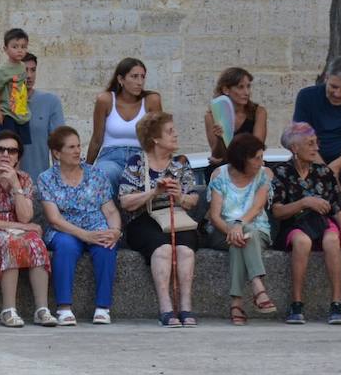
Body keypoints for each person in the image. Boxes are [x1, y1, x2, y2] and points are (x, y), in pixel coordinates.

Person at [117, 112, 200, 328]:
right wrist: (154, 192)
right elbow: (125, 201)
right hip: (144, 219)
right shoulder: (137, 162)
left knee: (186, 250)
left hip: (177, 217)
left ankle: (185, 306)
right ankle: (165, 307)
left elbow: (193, 199)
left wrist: (179, 196)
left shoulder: (181, 164)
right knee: (162, 249)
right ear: (155, 138)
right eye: (170, 132)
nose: (176, 135)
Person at [271, 122, 341, 325]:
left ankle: (336, 305)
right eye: (310, 144)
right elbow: (277, 211)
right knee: (302, 242)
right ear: (294, 148)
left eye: (316, 143)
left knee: (333, 239)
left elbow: (336, 206)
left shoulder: (323, 172)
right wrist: (305, 202)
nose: (316, 148)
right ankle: (296, 304)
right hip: (294, 225)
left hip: (321, 223)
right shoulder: (281, 172)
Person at [0, 129, 53, 327]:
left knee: (37, 243)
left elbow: (25, 216)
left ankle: (42, 309)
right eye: (0, 149)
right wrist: (23, 227)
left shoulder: (24, 179)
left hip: (19, 230)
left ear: (18, 157)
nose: (6, 154)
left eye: (12, 151)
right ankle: (8, 309)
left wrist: (15, 184)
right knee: (10, 242)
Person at [38, 126, 120, 325]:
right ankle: (64, 308)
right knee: (65, 247)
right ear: (57, 153)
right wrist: (85, 235)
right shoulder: (46, 178)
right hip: (65, 229)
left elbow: (110, 210)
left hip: (95, 225)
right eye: (71, 147)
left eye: (78, 146)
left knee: (106, 245)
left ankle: (103, 307)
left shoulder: (96, 175)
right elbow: (54, 219)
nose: (77, 151)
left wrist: (115, 231)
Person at [206, 133, 276, 325]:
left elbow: (256, 208)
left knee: (244, 237)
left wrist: (238, 225)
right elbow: (214, 216)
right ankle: (257, 286)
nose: (261, 162)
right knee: (241, 237)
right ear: (242, 159)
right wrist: (231, 229)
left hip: (256, 230)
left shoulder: (265, 174)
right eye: (257, 158)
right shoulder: (220, 175)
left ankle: (236, 303)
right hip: (222, 231)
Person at [292, 56, 341, 212]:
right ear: (326, 78)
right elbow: (301, 138)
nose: (337, 94)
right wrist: (326, 170)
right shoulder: (306, 96)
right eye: (333, 86)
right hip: (311, 158)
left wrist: (336, 166)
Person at [0, 53, 66, 179]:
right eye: (24, 70)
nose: (29, 75)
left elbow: (58, 146)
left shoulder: (51, 102)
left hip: (39, 182)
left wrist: (59, 182)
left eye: (33, 70)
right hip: (2, 185)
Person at [88, 58, 164, 192]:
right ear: (121, 79)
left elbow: (159, 137)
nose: (139, 82)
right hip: (111, 155)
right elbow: (97, 139)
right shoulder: (105, 100)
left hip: (140, 157)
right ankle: (111, 212)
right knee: (106, 172)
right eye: (134, 77)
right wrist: (86, 169)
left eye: (142, 77)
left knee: (144, 180)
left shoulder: (151, 100)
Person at [204, 67, 267, 166]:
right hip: (223, 171)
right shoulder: (211, 116)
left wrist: (226, 158)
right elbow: (217, 155)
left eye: (248, 86)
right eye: (240, 87)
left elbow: (256, 148)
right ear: (226, 90)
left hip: (250, 167)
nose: (247, 92)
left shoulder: (259, 112)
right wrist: (220, 139)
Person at [0, 29, 31, 144]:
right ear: (5, 49)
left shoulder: (23, 66)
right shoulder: (1, 71)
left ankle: (18, 163)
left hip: (22, 113)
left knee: (21, 145)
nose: (20, 50)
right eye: (15, 47)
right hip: (8, 113)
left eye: (23, 47)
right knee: (9, 144)